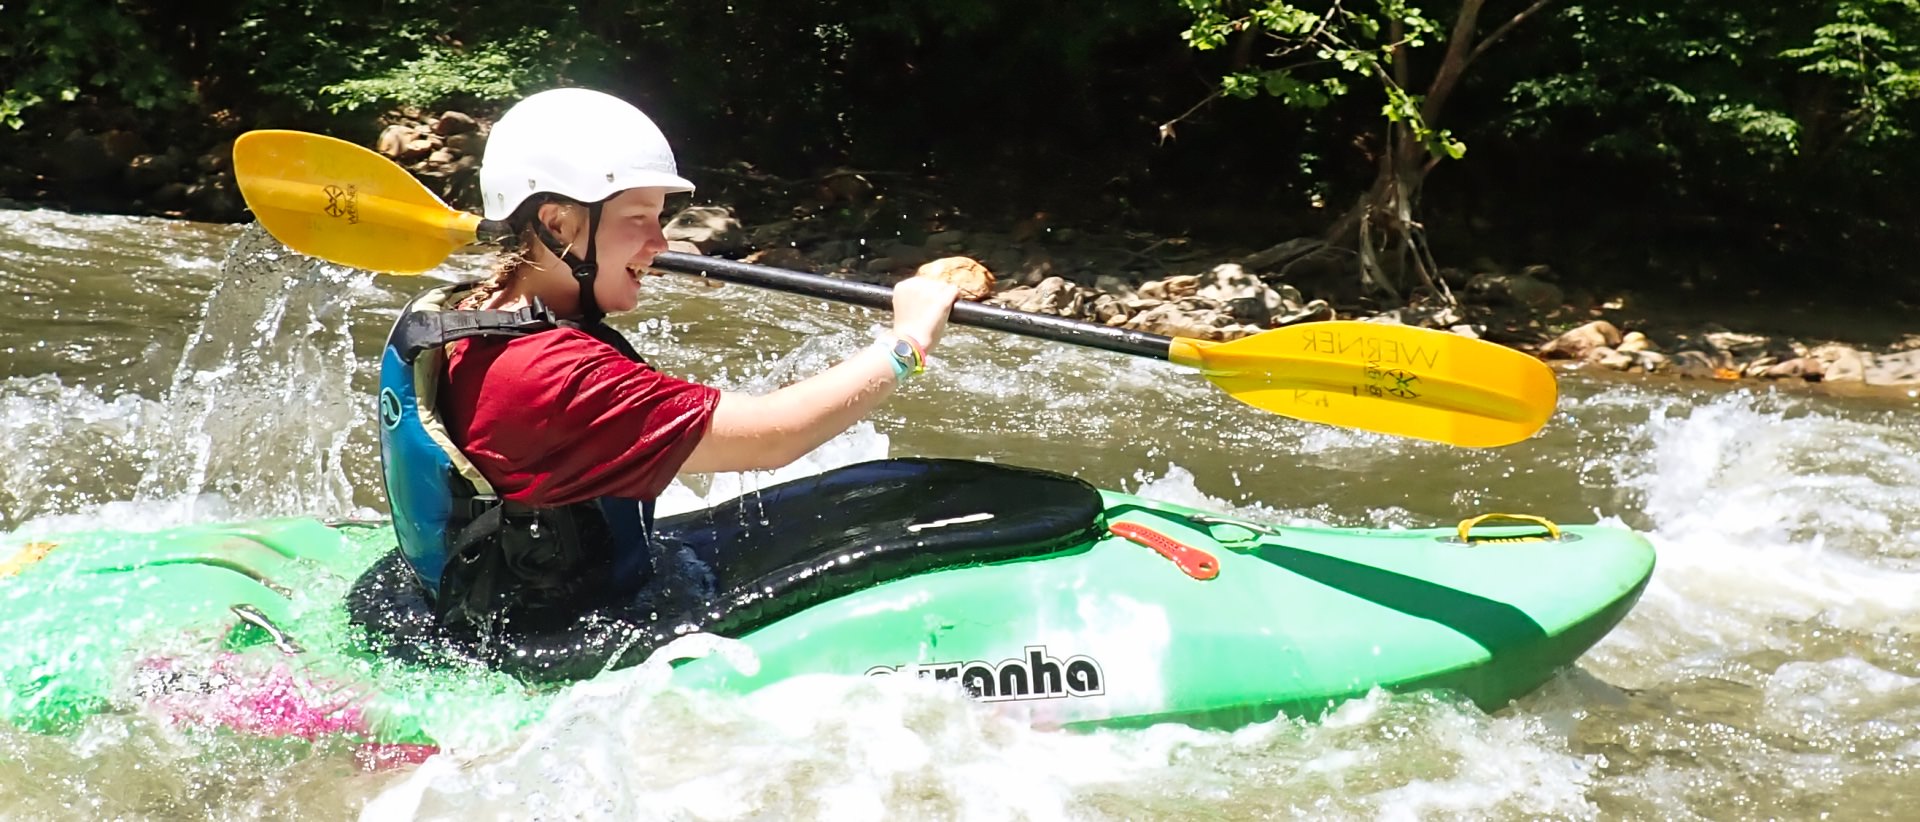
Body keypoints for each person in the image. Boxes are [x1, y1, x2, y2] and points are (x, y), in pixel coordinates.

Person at [374, 87, 961, 632]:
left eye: (660, 220)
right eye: (638, 220)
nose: (660, 245)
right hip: (557, 634)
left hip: (481, 597)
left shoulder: (466, 309)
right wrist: (907, 342)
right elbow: (773, 437)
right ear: (556, 223)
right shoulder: (550, 376)